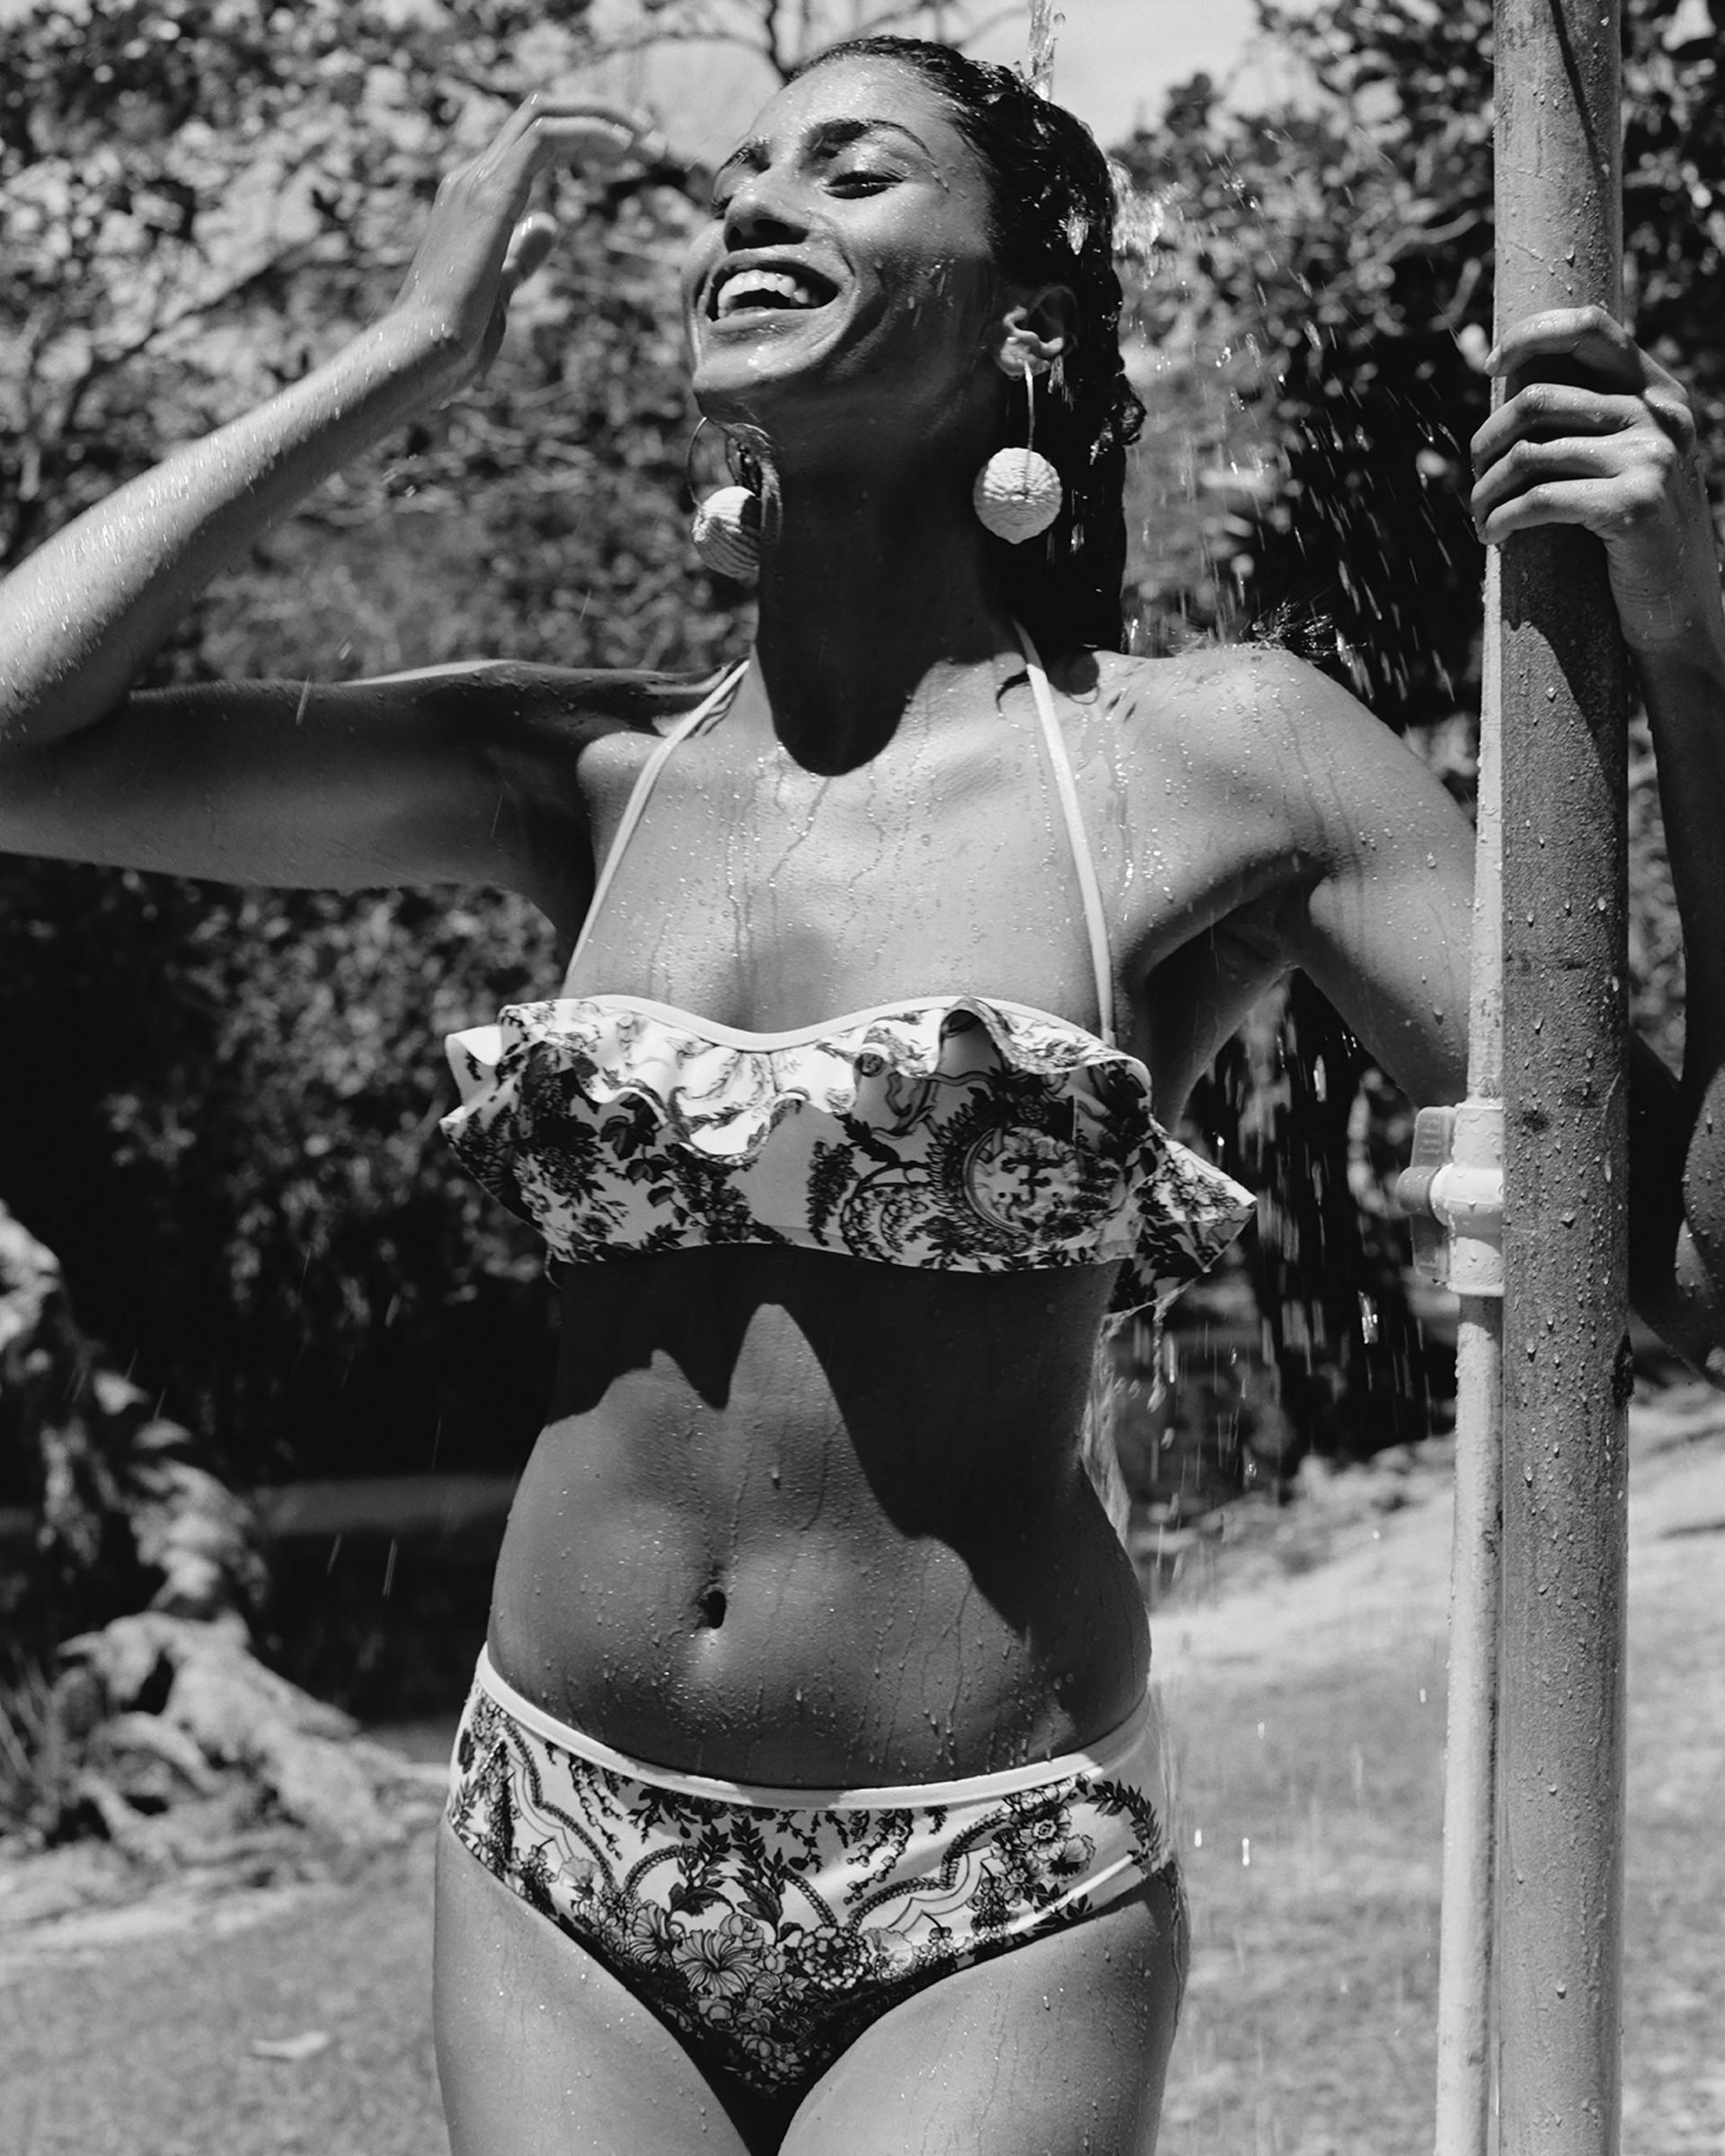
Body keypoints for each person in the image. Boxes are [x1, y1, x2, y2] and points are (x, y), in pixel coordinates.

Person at [3, 34, 1724, 2156]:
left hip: (990, 1879)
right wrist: (403, 355)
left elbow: (1689, 1259)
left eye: (851, 168)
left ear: (1028, 323)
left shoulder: (1217, 759)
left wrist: (1689, 652)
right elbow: (19, 738)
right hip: (554, 1841)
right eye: (745, 173)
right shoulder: (583, 773)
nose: (757, 203)